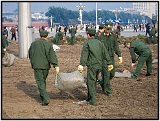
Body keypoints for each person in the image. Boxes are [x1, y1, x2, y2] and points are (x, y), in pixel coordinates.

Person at [78, 28, 113, 106]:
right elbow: (105, 53)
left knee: (90, 82)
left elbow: (84, 55)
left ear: (88, 35)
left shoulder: (87, 43)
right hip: (99, 65)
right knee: (94, 81)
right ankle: (90, 97)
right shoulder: (100, 43)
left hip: (92, 66)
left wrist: (81, 65)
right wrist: (109, 63)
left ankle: (92, 100)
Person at [28, 30, 59, 106]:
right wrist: (55, 65)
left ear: (40, 35)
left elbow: (30, 54)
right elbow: (52, 56)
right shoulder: (48, 44)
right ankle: (43, 96)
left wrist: (33, 62)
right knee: (43, 81)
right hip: (45, 66)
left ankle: (45, 98)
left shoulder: (34, 44)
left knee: (40, 82)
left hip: (37, 66)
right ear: (47, 36)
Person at [98, 25, 122, 96]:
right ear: (104, 28)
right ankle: (108, 91)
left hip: (111, 58)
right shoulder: (100, 36)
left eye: (109, 29)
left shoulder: (113, 36)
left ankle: (102, 82)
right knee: (106, 75)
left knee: (112, 74)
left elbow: (116, 46)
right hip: (104, 58)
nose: (108, 30)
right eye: (107, 29)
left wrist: (119, 55)